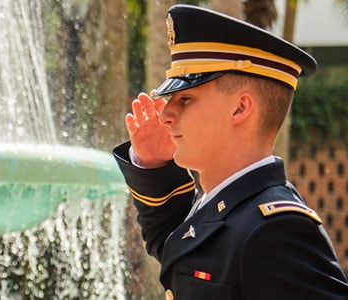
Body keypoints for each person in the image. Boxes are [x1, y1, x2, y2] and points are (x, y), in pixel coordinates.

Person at [113, 5, 348, 300]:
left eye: (185, 98)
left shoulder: (276, 231)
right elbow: (176, 246)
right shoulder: (229, 210)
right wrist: (154, 163)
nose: (166, 114)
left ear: (240, 107)